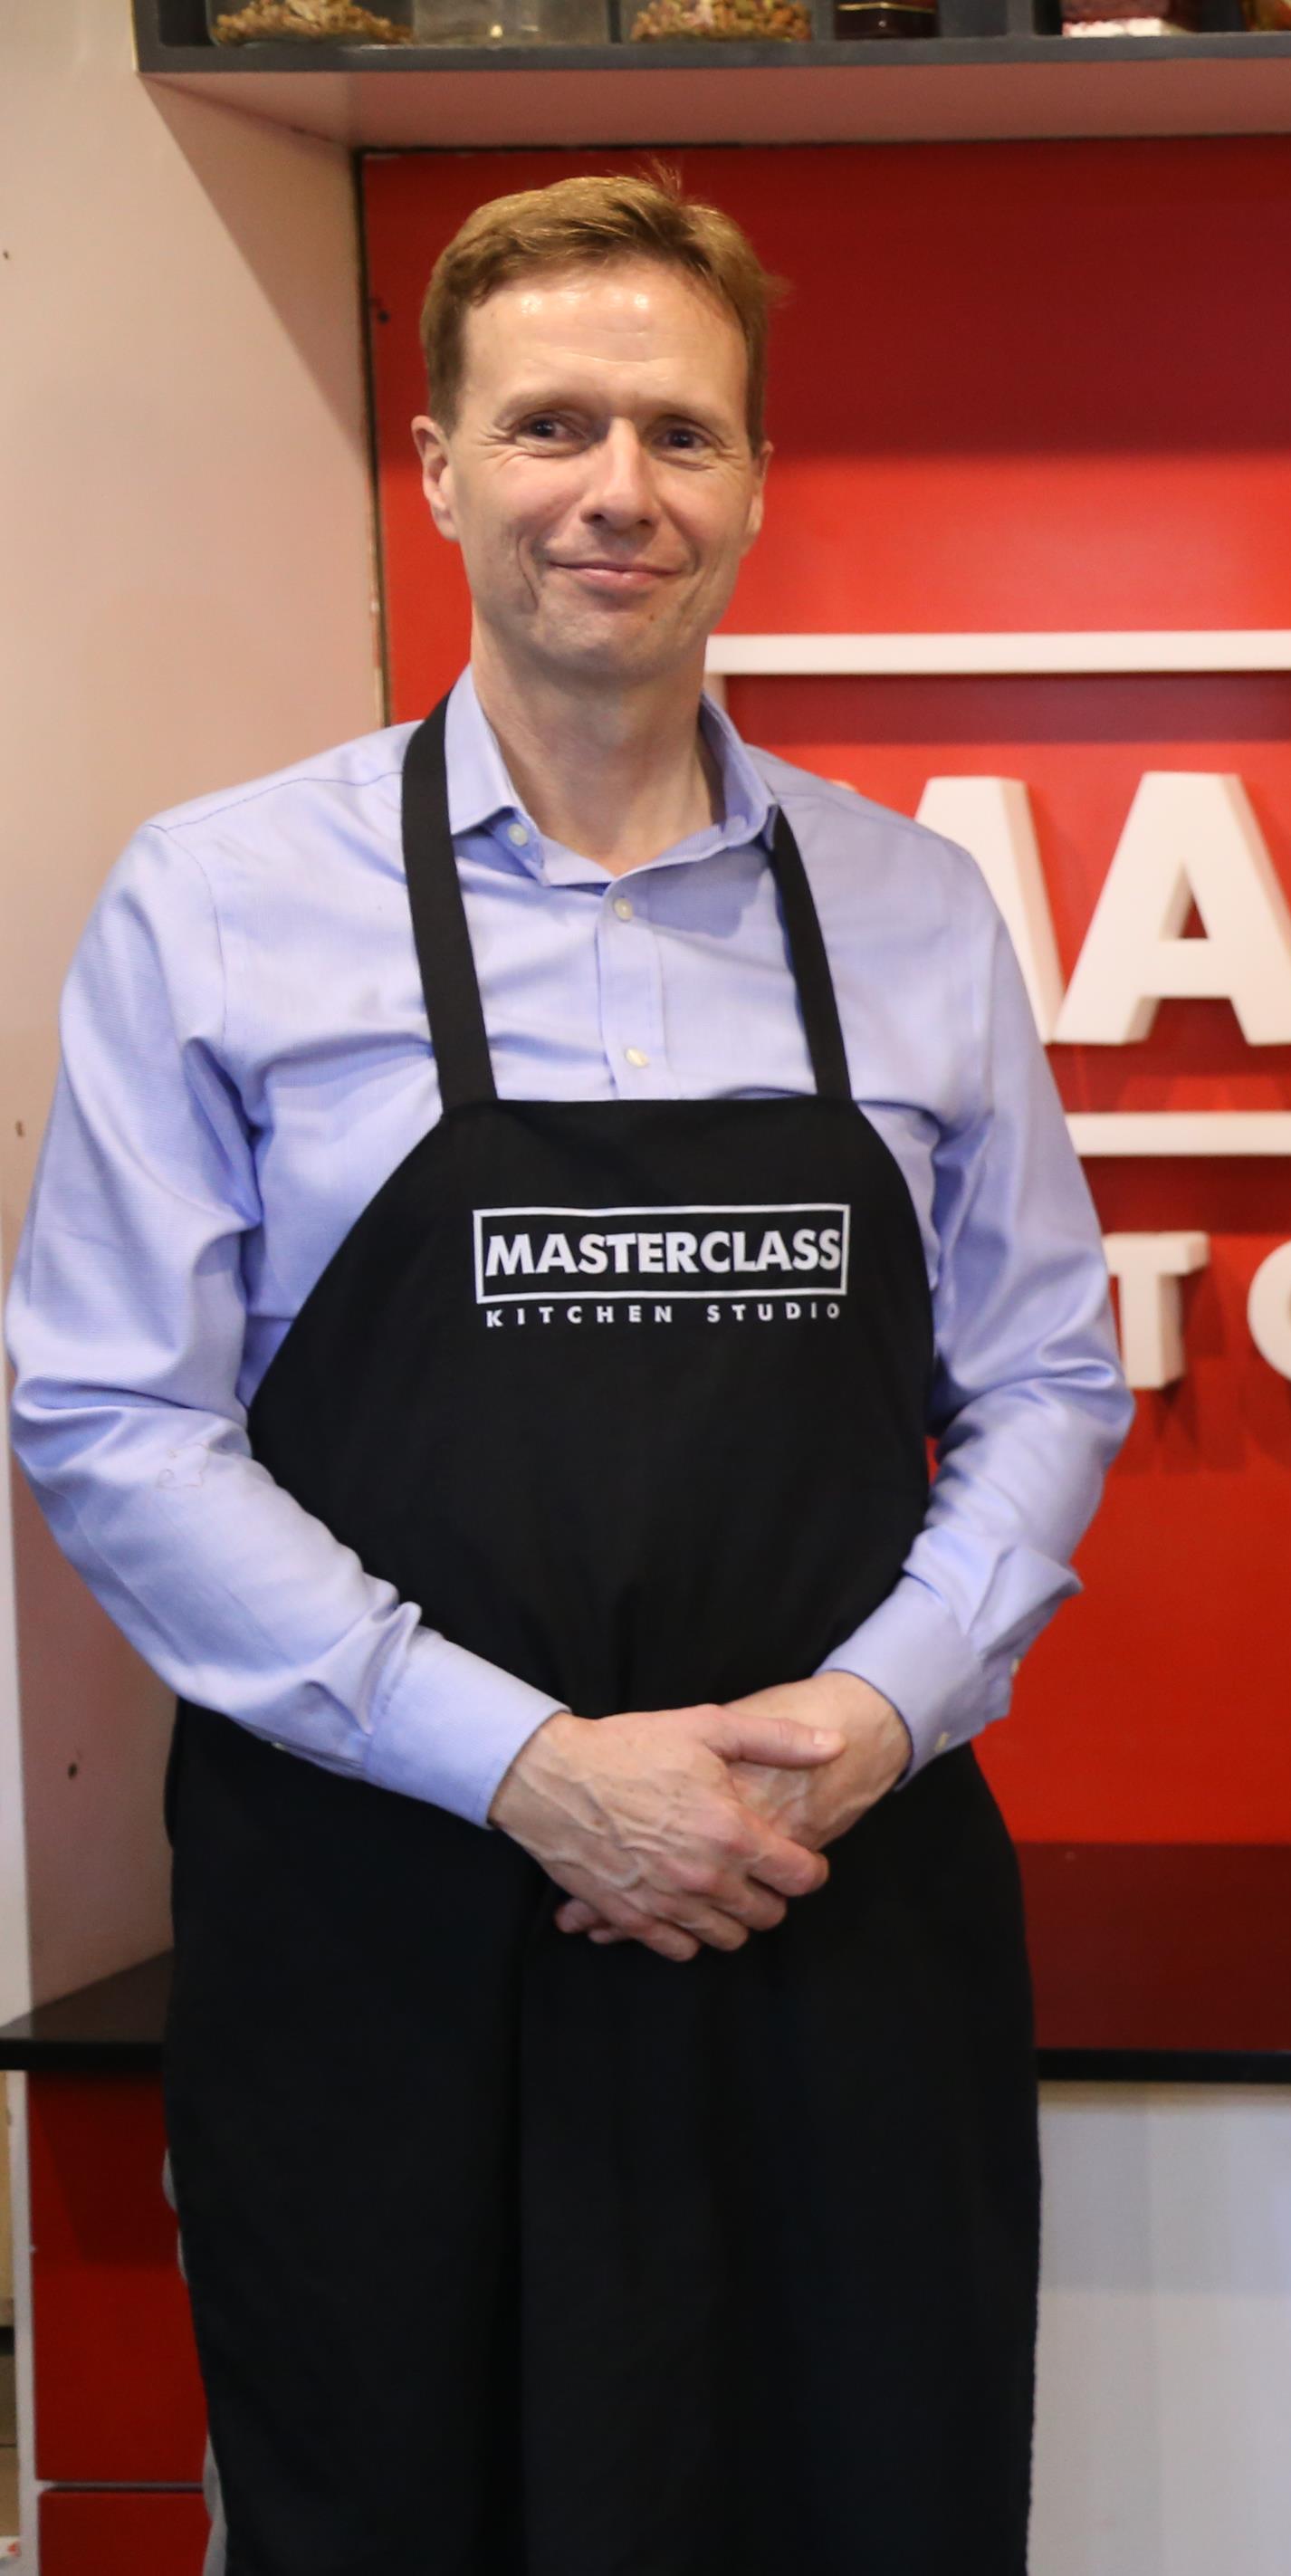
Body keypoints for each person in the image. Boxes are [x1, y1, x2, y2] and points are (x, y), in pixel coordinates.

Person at [5, 173, 1127, 2572]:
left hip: (829, 1915)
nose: (617, 488)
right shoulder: (220, 897)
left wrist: (884, 1709)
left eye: (678, 433)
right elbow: (109, 1415)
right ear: (435, 465)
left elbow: (1050, 1372)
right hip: (384, 1934)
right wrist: (523, 1764)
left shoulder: (910, 906)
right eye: (549, 426)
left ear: (754, 483)